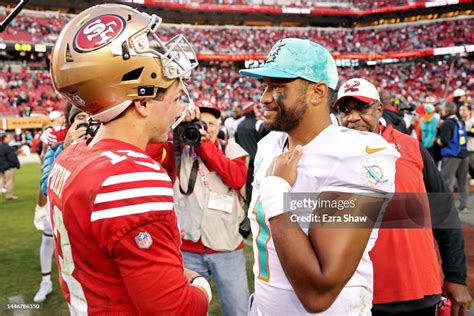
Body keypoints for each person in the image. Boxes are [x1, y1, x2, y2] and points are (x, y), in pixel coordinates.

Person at [48, 4, 209, 314]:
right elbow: (177, 310)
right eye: (176, 98)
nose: (179, 111)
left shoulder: (71, 155)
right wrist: (200, 283)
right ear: (143, 101)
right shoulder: (130, 176)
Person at [240, 38, 399, 314]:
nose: (265, 97)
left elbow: (319, 292)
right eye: (265, 86)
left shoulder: (357, 156)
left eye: (278, 87)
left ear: (317, 92)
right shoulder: (270, 145)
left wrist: (277, 190)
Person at [334, 77, 472, 316]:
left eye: (362, 107)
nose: (353, 117)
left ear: (379, 109)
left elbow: (443, 210)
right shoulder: (329, 155)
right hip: (355, 294)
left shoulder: (411, 147)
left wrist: (456, 276)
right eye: (344, 110)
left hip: (417, 288)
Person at [148, 99, 250, 316]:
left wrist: (204, 146)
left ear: (220, 126)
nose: (205, 129)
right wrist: (174, 127)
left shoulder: (231, 149)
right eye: (200, 123)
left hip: (227, 247)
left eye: (211, 124)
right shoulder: (178, 151)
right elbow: (148, 153)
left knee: (238, 309)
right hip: (188, 248)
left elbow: (237, 178)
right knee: (187, 310)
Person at [33, 104, 90, 303]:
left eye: (91, 117)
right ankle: (46, 281)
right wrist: (67, 149)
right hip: (63, 217)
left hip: (92, 227)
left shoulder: (107, 146)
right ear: (71, 123)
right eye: (81, 118)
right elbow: (47, 184)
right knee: (49, 238)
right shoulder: (58, 147)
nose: (87, 123)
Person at [436, 102, 469, 213]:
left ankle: (447, 208)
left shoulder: (447, 123)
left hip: (451, 156)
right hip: (464, 154)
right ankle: (463, 206)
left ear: (446, 110)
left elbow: (444, 140)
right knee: (462, 182)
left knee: (447, 182)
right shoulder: (460, 121)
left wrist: (436, 140)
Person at [235, 101, 269, 205]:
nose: (258, 110)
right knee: (258, 185)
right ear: (251, 111)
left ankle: (248, 204)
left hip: (245, 160)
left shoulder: (239, 125)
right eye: (256, 108)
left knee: (248, 186)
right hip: (257, 161)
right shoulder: (258, 124)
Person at [0, 130, 20, 200]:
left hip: (2, 167)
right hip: (8, 167)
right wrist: (17, 165)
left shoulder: (2, 146)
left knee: (2, 180)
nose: (10, 139)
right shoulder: (7, 147)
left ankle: (3, 190)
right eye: (8, 138)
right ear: (4, 139)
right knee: (9, 181)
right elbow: (12, 158)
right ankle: (9, 195)